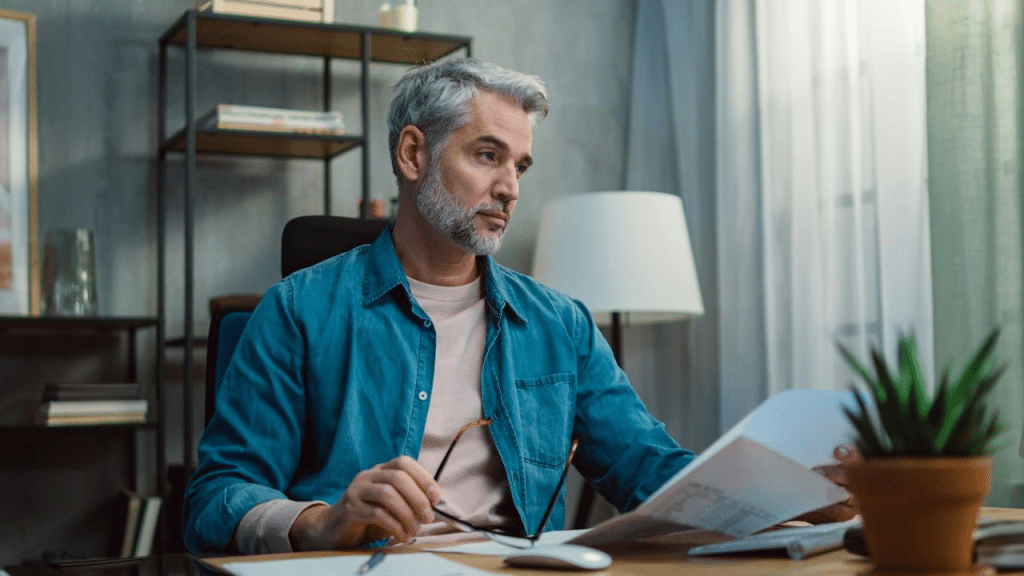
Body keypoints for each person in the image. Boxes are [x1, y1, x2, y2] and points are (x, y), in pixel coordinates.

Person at [182, 57, 852, 555]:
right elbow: (214, 498)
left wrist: (793, 495)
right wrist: (319, 521)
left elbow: (651, 470)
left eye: (520, 166)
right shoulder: (297, 310)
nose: (509, 189)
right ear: (414, 153)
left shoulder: (561, 324)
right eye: (487, 155)